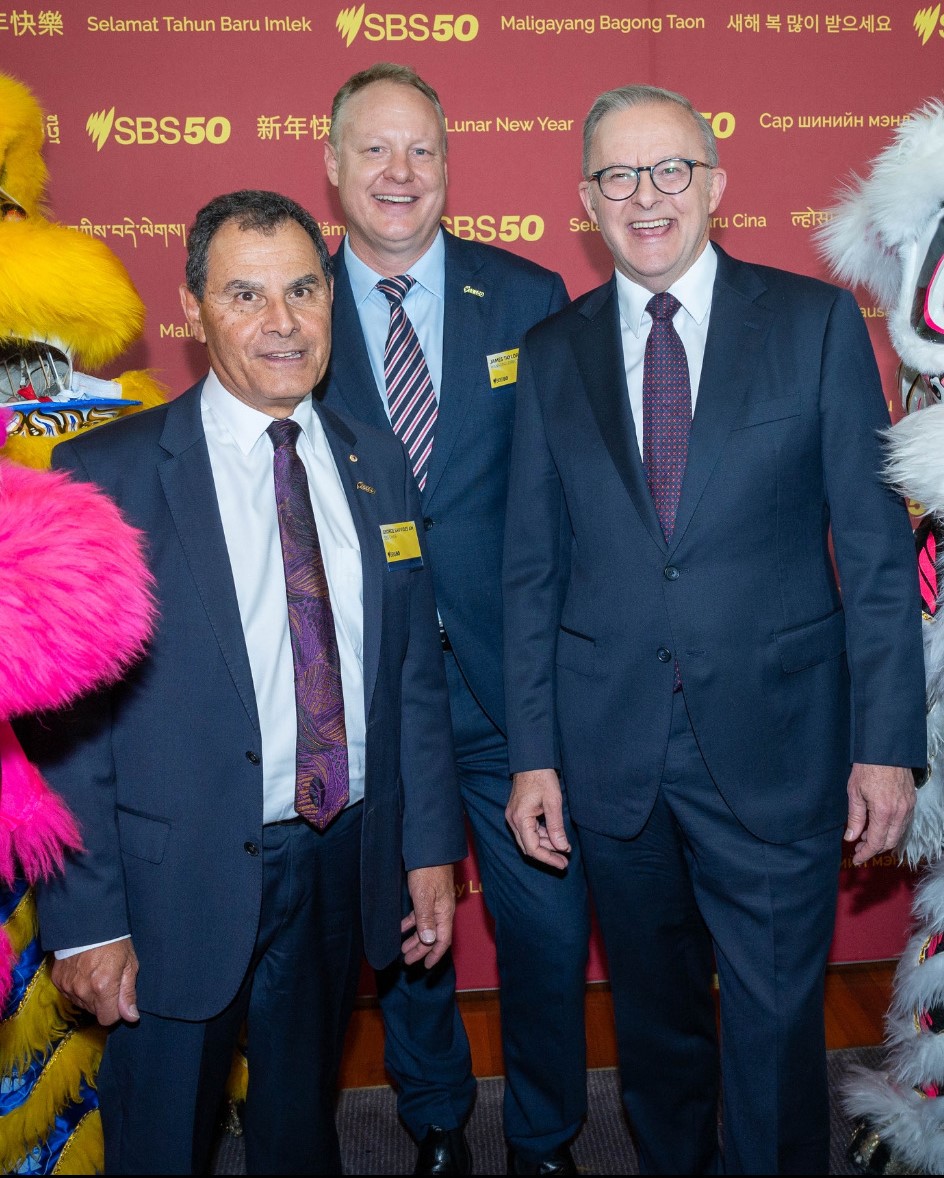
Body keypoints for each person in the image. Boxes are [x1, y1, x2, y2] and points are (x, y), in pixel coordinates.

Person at [502, 84, 927, 1176]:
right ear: (585, 200)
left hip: (780, 739)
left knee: (776, 1023)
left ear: (714, 183)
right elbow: (530, 573)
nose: (645, 198)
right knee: (651, 1023)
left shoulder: (814, 322)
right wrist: (535, 753)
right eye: (616, 177)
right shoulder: (548, 356)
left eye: (668, 171)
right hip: (610, 753)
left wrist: (886, 743)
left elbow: (875, 554)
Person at [30, 189, 466, 1176]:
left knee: (298, 1124)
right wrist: (90, 921)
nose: (281, 321)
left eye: (303, 289)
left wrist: (428, 845)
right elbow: (67, 727)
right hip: (170, 881)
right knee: (162, 1138)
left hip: (336, 858)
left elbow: (409, 677)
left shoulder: (375, 460)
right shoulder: (105, 475)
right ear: (193, 308)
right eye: (244, 293)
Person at [320, 63, 589, 1176]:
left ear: (448, 164)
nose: (398, 172)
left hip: (509, 686)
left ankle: (546, 1135)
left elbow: (573, 494)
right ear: (330, 165)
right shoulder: (289, 306)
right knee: (402, 936)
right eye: (373, 149)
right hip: (360, 689)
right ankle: (432, 1118)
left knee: (544, 932)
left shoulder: (525, 298)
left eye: (420, 149)